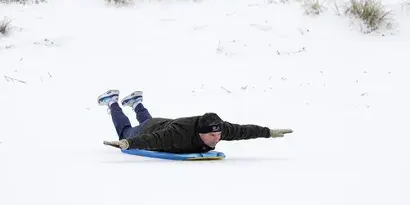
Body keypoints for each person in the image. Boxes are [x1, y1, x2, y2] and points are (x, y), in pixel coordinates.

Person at [97, 89, 293, 153]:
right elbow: (152, 140)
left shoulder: (218, 128)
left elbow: (244, 130)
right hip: (156, 129)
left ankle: (137, 103)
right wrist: (128, 143)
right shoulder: (177, 134)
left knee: (150, 124)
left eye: (218, 135)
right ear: (200, 132)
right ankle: (113, 102)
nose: (217, 139)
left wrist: (269, 132)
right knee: (126, 132)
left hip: (160, 123)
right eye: (212, 135)